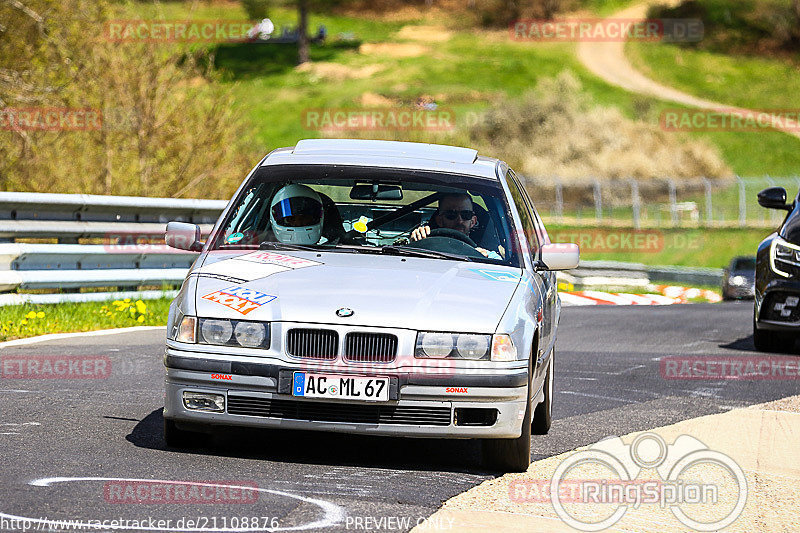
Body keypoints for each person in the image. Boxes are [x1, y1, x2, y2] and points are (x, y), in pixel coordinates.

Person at [410, 193, 502, 259]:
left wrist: (485, 259)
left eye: (466, 215)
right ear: (439, 220)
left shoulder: (485, 255)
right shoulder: (423, 243)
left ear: (473, 221)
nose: (459, 220)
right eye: (451, 215)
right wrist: (415, 242)